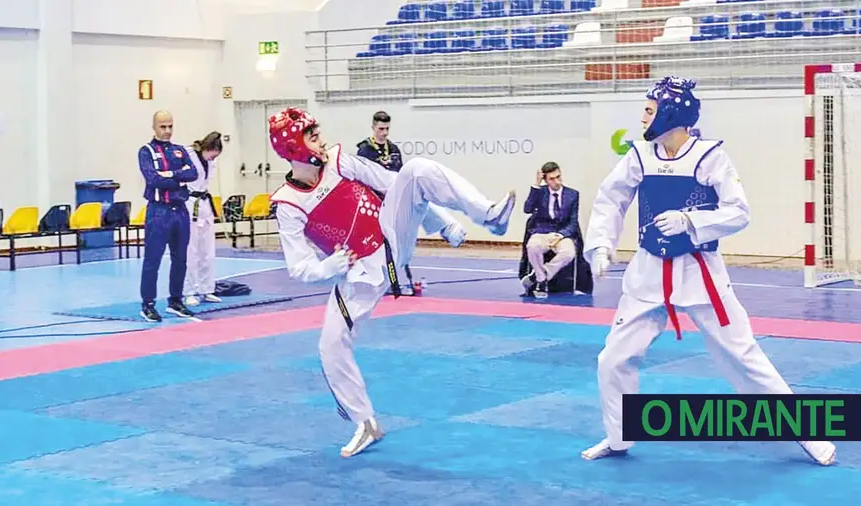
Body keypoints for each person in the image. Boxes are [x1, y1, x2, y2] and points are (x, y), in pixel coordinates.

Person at [580, 76, 836, 466]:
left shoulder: (710, 156)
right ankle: (619, 436)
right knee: (612, 359)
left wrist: (691, 221)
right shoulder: (639, 155)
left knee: (743, 355)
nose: (643, 117)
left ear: (670, 113)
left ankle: (806, 433)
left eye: (649, 110)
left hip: (700, 272)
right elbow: (610, 199)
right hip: (648, 271)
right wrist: (600, 244)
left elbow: (739, 211)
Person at [269, 107, 515, 458]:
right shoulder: (288, 204)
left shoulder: (340, 161)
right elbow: (299, 266)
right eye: (310, 135)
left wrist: (443, 224)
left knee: (414, 170)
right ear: (293, 147)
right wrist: (328, 266)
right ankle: (364, 422)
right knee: (330, 345)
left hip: (389, 237)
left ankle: (488, 216)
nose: (320, 139)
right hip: (359, 276)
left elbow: (392, 184)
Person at [138, 110, 198, 322]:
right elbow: (153, 179)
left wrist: (171, 175)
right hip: (158, 211)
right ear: (154, 127)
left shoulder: (180, 150)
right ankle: (148, 304)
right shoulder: (146, 152)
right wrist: (177, 178)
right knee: (152, 259)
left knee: (180, 258)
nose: (167, 131)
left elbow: (193, 173)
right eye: (163, 126)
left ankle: (175, 300)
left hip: (180, 210)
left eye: (170, 126)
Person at [520, 161, 581, 298]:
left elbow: (573, 222)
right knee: (532, 247)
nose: (557, 181)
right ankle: (541, 281)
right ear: (546, 180)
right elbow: (527, 209)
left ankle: (540, 275)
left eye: (558, 177)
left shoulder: (573, 195)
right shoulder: (540, 192)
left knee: (568, 253)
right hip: (542, 231)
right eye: (552, 179)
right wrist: (535, 185)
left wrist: (560, 235)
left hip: (561, 234)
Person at [183, 131, 224, 307]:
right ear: (208, 148)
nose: (214, 158)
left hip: (205, 204)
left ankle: (207, 289)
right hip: (190, 203)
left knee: (208, 251)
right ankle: (189, 292)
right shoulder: (188, 155)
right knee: (190, 251)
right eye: (213, 154)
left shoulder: (211, 161)